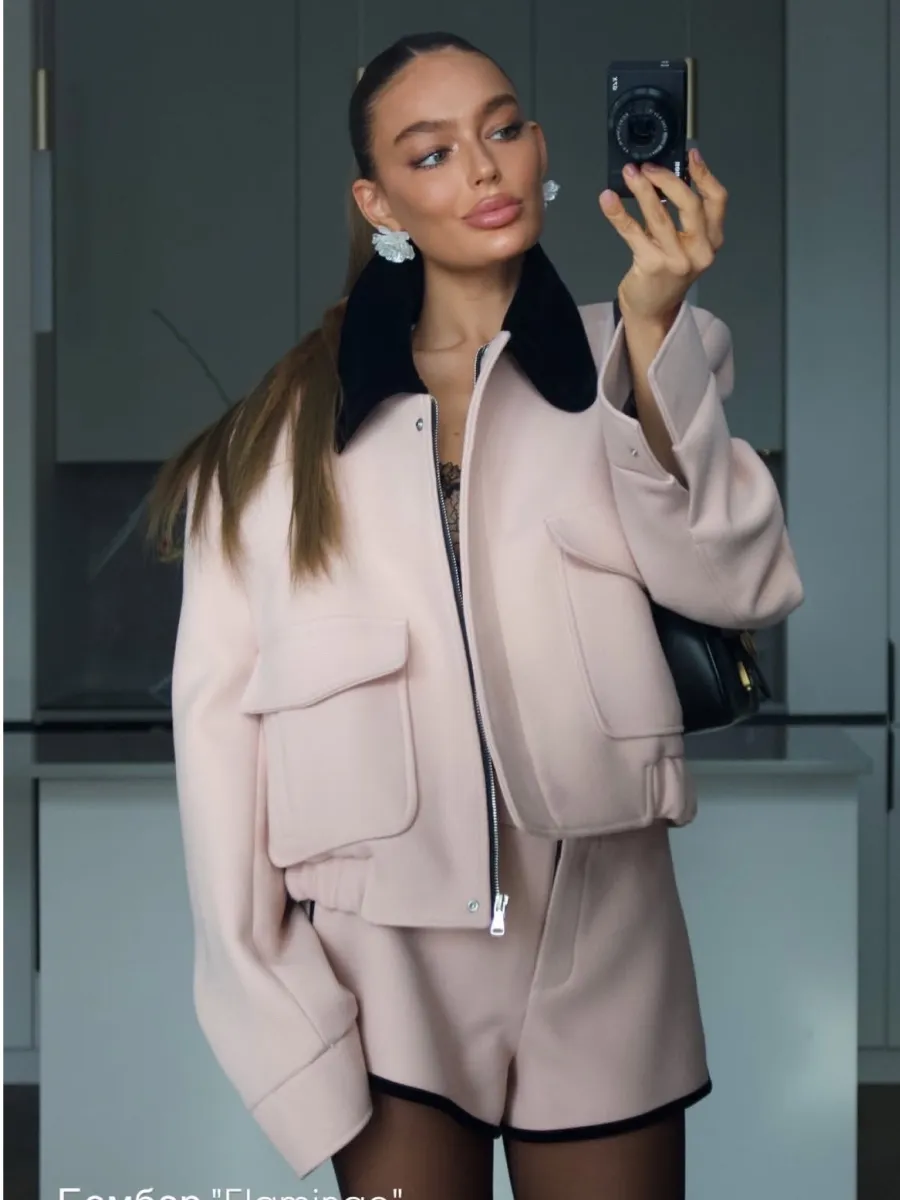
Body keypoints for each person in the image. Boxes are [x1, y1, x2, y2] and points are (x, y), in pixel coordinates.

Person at [149, 30, 803, 1200]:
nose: (484, 168)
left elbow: (739, 582)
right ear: (378, 200)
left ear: (543, 149)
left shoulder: (641, 358)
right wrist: (275, 1007)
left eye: (503, 130)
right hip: (387, 969)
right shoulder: (275, 443)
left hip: (606, 942)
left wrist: (656, 322)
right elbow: (219, 745)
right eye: (432, 151)